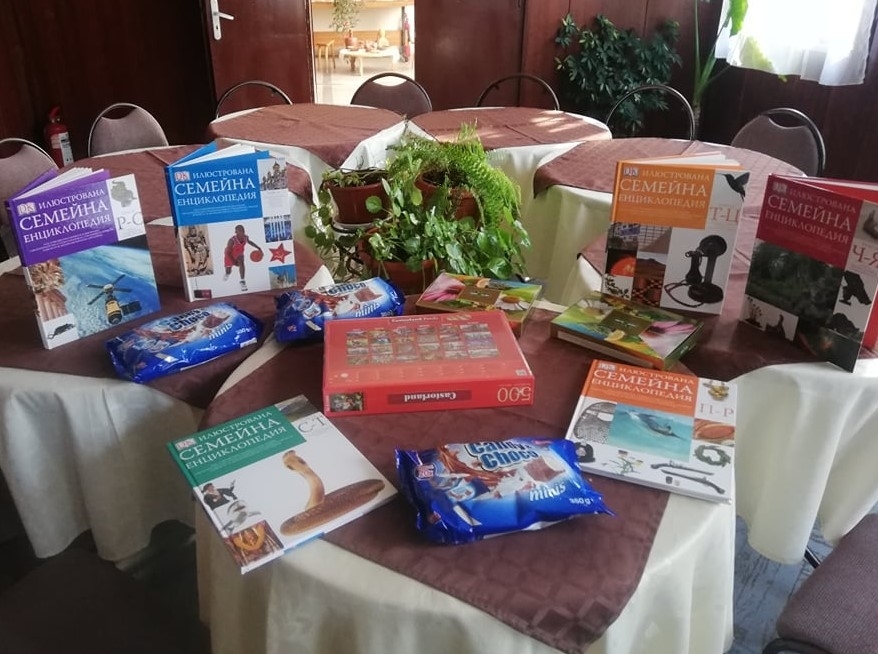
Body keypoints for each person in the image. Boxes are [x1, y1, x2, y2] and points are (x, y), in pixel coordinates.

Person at [223, 224, 263, 291]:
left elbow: (249, 242)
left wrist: (258, 247)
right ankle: (227, 274)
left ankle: (242, 281)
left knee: (241, 262)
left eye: (243, 230)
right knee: (228, 271)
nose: (242, 232)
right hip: (230, 255)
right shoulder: (231, 240)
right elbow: (227, 253)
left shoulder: (245, 237)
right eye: (240, 230)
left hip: (239, 253)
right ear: (236, 232)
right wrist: (234, 262)